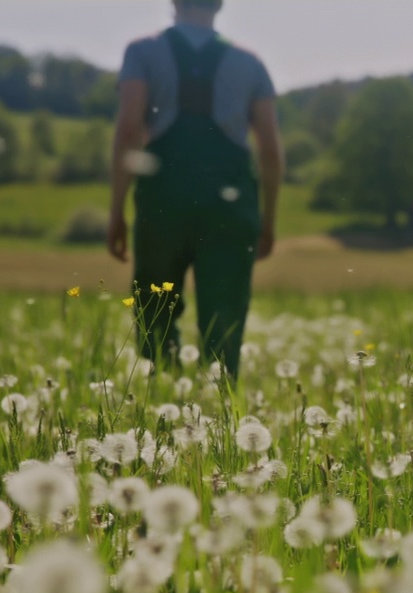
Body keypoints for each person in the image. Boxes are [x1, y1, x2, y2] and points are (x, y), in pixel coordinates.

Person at [107, 0, 282, 381]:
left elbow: (128, 132)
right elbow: (269, 150)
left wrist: (117, 210)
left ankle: (159, 416)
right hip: (231, 209)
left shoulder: (143, 52)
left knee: (155, 313)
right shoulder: (250, 63)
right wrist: (267, 223)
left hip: (161, 203)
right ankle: (219, 421)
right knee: (225, 319)